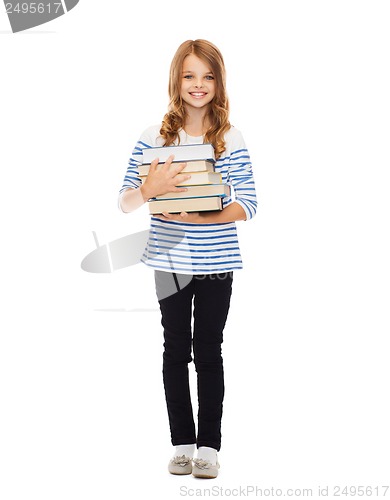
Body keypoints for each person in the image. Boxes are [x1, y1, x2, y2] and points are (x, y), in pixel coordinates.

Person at [118, 39, 257, 479]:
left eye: (208, 76)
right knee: (176, 348)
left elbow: (249, 203)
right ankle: (182, 443)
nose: (199, 85)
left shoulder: (229, 138)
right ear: (177, 80)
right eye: (190, 75)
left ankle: (209, 447)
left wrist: (198, 218)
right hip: (169, 261)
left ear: (219, 81)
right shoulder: (154, 138)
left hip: (217, 261)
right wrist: (149, 191)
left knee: (208, 349)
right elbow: (124, 202)